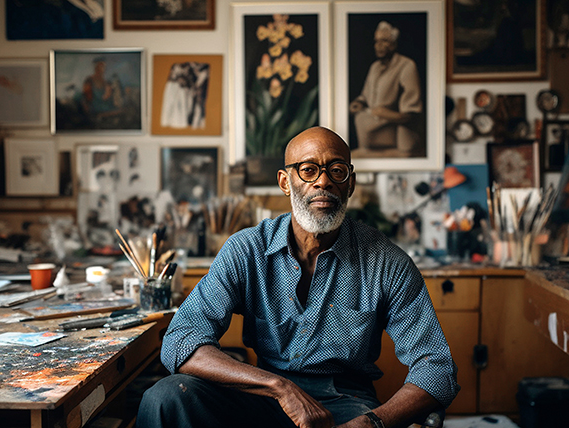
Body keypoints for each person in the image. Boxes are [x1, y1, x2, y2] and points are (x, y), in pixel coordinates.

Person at [138, 126, 459, 428]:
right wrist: (278, 387)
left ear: (350, 182)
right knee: (166, 398)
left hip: (344, 404)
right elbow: (180, 341)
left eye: (337, 171)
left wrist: (374, 423)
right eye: (308, 170)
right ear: (285, 181)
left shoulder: (387, 263)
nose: (323, 182)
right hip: (261, 395)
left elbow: (437, 369)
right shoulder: (246, 250)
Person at [350, 21, 423, 157]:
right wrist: (359, 103)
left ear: (394, 44)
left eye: (384, 41)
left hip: (395, 129)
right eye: (376, 42)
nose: (379, 46)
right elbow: (365, 95)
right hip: (372, 126)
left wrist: (385, 113)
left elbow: (410, 113)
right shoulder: (375, 67)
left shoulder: (406, 66)